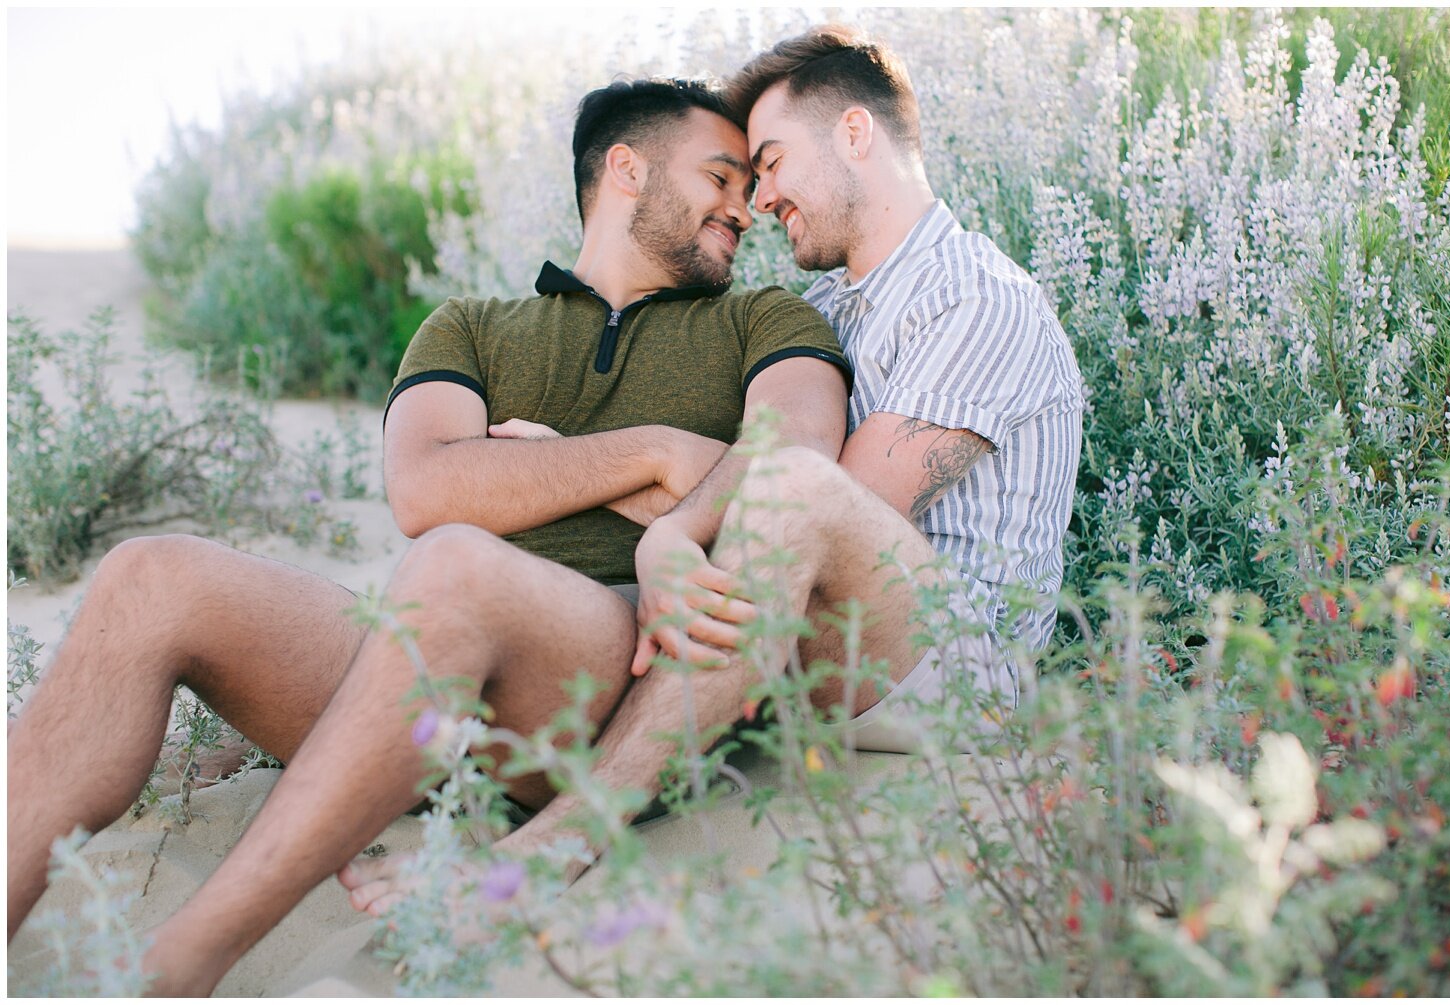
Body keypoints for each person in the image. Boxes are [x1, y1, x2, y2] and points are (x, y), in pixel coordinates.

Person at [6, 77, 853, 995]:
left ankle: (178, 962)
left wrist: (545, 469)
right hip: (423, 670)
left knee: (457, 566)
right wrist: (654, 452)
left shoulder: (764, 318)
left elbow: (793, 453)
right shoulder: (472, 327)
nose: (745, 207)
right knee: (149, 573)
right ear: (625, 168)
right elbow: (425, 486)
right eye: (721, 177)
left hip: (616, 665)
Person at [341, 22, 1084, 918]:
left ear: (855, 135)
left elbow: (818, 503)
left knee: (790, 491)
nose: (760, 198)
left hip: (948, 674)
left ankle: (554, 845)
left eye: (770, 163)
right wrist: (668, 495)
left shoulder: (977, 300)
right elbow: (748, 485)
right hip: (812, 650)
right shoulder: (832, 305)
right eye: (740, 175)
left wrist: (616, 489)